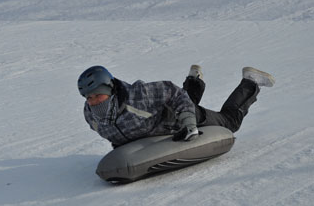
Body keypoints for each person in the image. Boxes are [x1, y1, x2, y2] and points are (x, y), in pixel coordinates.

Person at [78, 64, 275, 148]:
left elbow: (173, 93)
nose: (93, 101)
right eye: (88, 97)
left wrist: (189, 124)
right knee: (175, 103)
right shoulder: (91, 116)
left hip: (177, 120)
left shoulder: (138, 96)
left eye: (97, 95)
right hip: (158, 126)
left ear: (110, 89)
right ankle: (194, 80)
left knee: (230, 123)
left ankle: (250, 82)